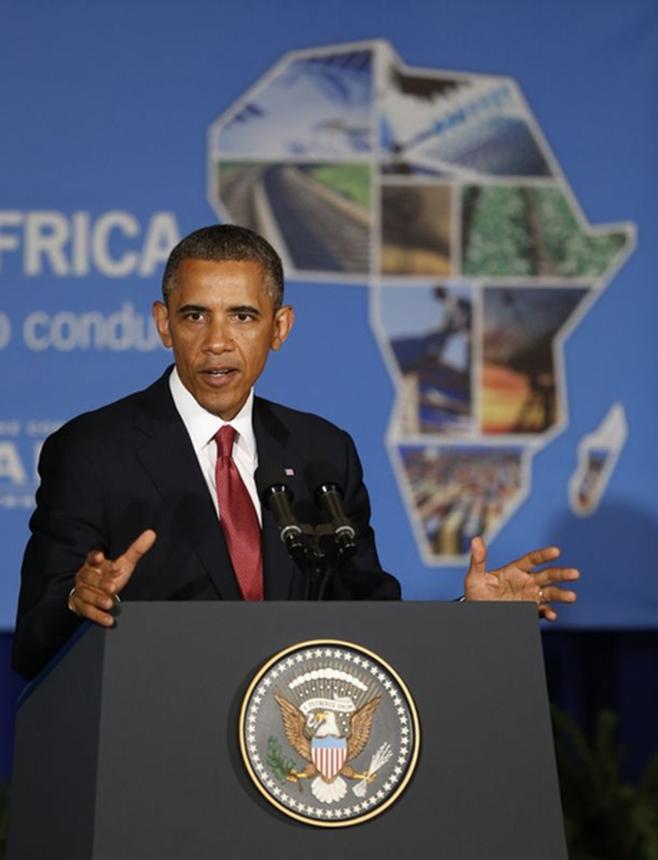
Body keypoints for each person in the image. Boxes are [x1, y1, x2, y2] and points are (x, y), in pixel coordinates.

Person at [12, 225, 579, 680]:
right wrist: (76, 604)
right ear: (164, 324)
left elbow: (370, 625)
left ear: (279, 327)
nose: (216, 342)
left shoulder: (321, 452)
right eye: (194, 316)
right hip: (157, 750)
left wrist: (468, 619)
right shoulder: (92, 450)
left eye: (242, 316)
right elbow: (31, 643)